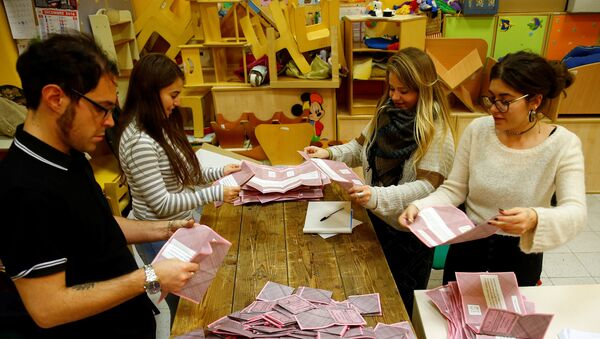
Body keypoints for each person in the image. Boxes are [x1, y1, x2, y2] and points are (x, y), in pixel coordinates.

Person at [0, 33, 198, 338]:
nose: (109, 122)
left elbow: (97, 227)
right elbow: (48, 308)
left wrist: (164, 228)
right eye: (101, 108)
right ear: (56, 99)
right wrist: (149, 276)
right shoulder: (24, 188)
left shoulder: (69, 154)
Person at [399, 51, 587, 286]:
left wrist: (535, 217)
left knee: (507, 319)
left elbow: (576, 211)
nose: (493, 109)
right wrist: (420, 205)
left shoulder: (563, 144)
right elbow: (455, 188)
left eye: (505, 101)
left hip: (520, 254)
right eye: (491, 98)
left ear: (535, 101)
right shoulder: (478, 130)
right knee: (457, 314)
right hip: (468, 244)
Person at [304, 47, 455, 314]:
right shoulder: (385, 112)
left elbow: (426, 188)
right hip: (377, 222)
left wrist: (376, 196)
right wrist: (328, 153)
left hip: (410, 236)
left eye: (404, 91)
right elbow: (359, 148)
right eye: (392, 88)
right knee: (372, 291)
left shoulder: (437, 130)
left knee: (400, 304)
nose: (395, 96)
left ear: (423, 89)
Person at [117, 53, 241, 325]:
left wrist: (220, 172)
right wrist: (216, 193)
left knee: (191, 296)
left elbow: (186, 171)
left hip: (177, 228)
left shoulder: (160, 125)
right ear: (151, 92)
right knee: (182, 309)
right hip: (159, 233)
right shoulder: (140, 141)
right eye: (172, 95)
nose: (178, 102)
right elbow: (162, 204)